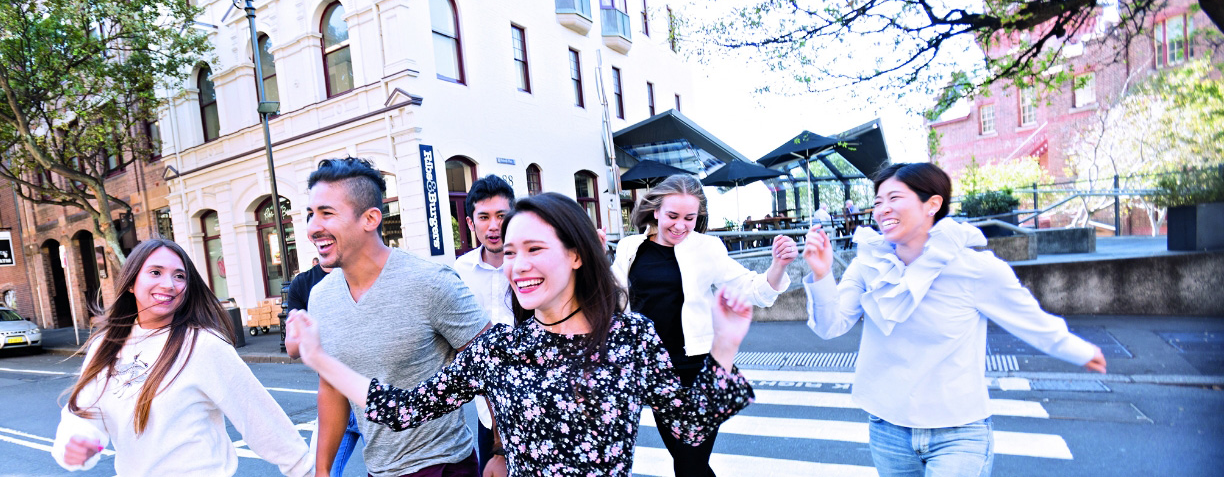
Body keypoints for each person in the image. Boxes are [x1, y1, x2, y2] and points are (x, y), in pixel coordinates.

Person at [289, 192, 759, 476]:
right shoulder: (500, 348)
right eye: (511, 252)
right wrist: (318, 356)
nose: (520, 265)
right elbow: (400, 408)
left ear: (576, 255)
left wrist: (723, 347)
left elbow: (689, 427)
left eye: (536, 248)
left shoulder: (632, 337)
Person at [801, 163, 1107, 477]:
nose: (883, 209)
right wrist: (822, 274)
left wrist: (1081, 351)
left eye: (894, 198)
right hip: (888, 430)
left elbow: (1030, 320)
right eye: (878, 201)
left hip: (959, 433)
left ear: (932, 203)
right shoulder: (869, 263)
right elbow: (830, 326)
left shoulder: (975, 267)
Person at [51, 238, 312, 476]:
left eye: (179, 276)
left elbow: (259, 417)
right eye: (155, 272)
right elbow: (84, 415)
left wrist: (307, 469)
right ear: (130, 282)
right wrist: (78, 443)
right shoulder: (105, 345)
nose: (169, 284)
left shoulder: (203, 345)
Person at [303, 157, 490, 477]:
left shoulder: (431, 282)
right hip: (380, 469)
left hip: (442, 466)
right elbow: (332, 389)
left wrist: (499, 449)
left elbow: (492, 365)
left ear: (370, 218)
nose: (312, 227)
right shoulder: (320, 298)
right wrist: (321, 472)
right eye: (310, 214)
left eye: (326, 213)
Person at [610, 174, 795, 476]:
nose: (680, 225)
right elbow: (613, 298)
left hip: (700, 367)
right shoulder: (631, 248)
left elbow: (751, 289)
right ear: (655, 210)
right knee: (688, 462)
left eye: (689, 218)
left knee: (690, 462)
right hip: (655, 372)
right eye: (672, 216)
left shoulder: (708, 248)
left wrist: (778, 266)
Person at [450, 175, 515, 477]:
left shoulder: (532, 263)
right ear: (470, 222)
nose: (493, 226)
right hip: (486, 408)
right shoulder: (459, 271)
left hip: (531, 396)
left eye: (502, 216)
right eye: (484, 217)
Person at [286, 257, 359, 476]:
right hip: (334, 398)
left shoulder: (364, 276)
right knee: (322, 472)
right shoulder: (309, 287)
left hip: (370, 397)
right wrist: (301, 330)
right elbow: (292, 349)